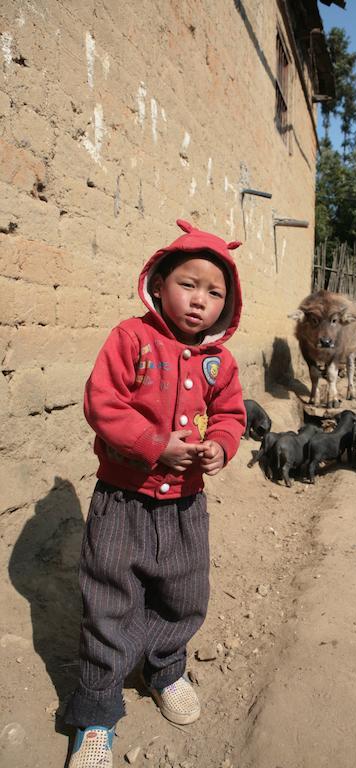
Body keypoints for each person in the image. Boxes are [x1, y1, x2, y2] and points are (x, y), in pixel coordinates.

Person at [64, 219, 246, 767]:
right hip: (124, 499)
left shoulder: (220, 362)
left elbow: (230, 414)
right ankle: (97, 711)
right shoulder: (131, 338)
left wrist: (219, 445)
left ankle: (166, 669)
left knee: (184, 592)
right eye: (188, 284)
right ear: (160, 282)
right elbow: (103, 403)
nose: (199, 301)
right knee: (110, 599)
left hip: (186, 505)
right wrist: (153, 443)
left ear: (227, 305)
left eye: (215, 293)